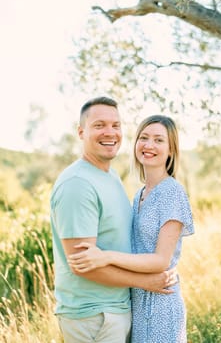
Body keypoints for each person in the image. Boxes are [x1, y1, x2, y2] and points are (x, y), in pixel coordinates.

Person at [50, 98, 177, 343]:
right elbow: (81, 265)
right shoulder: (77, 184)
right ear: (81, 132)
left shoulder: (111, 176)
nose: (110, 132)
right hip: (92, 315)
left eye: (115, 125)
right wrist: (145, 282)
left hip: (116, 309)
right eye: (99, 125)